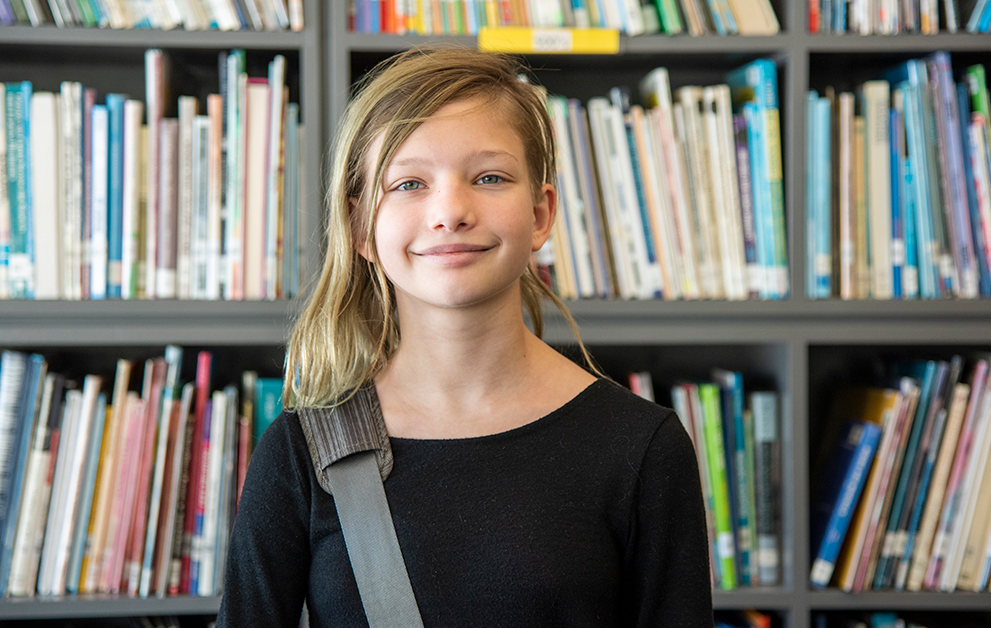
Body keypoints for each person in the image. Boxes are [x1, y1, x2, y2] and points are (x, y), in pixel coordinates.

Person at [217, 46, 713, 628]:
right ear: (359, 228)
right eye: (407, 183)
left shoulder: (644, 448)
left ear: (540, 214)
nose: (450, 211)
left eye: (490, 176)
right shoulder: (302, 451)